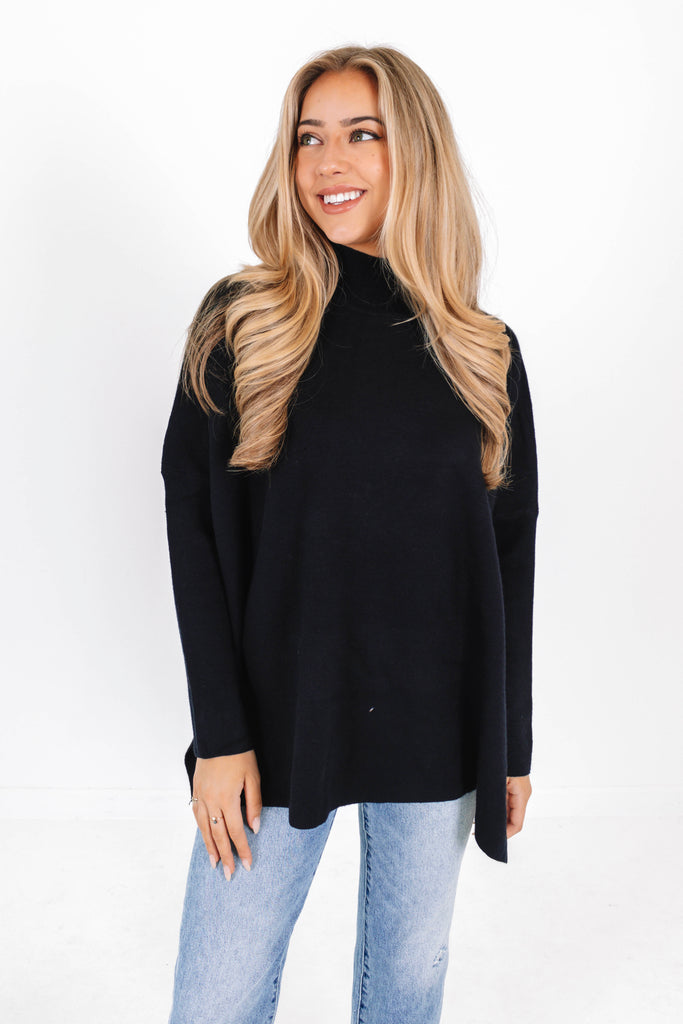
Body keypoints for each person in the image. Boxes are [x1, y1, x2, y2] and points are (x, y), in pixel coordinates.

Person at [161, 43, 539, 1024]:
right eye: (308, 138)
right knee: (215, 999)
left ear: (413, 151)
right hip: (277, 720)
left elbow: (508, 553)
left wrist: (509, 744)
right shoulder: (243, 322)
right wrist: (220, 738)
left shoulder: (481, 350)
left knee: (404, 995)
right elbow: (193, 528)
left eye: (360, 135)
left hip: (438, 728)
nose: (328, 162)